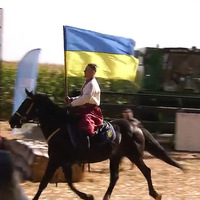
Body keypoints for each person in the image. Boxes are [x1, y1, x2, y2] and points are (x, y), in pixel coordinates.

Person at [65, 64, 103, 148]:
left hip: (91, 110)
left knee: (85, 123)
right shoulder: (88, 82)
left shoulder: (92, 84)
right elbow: (82, 97)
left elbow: (85, 98)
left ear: (93, 72)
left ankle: (85, 147)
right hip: (85, 108)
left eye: (86, 70)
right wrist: (72, 99)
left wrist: (71, 104)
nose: (84, 71)